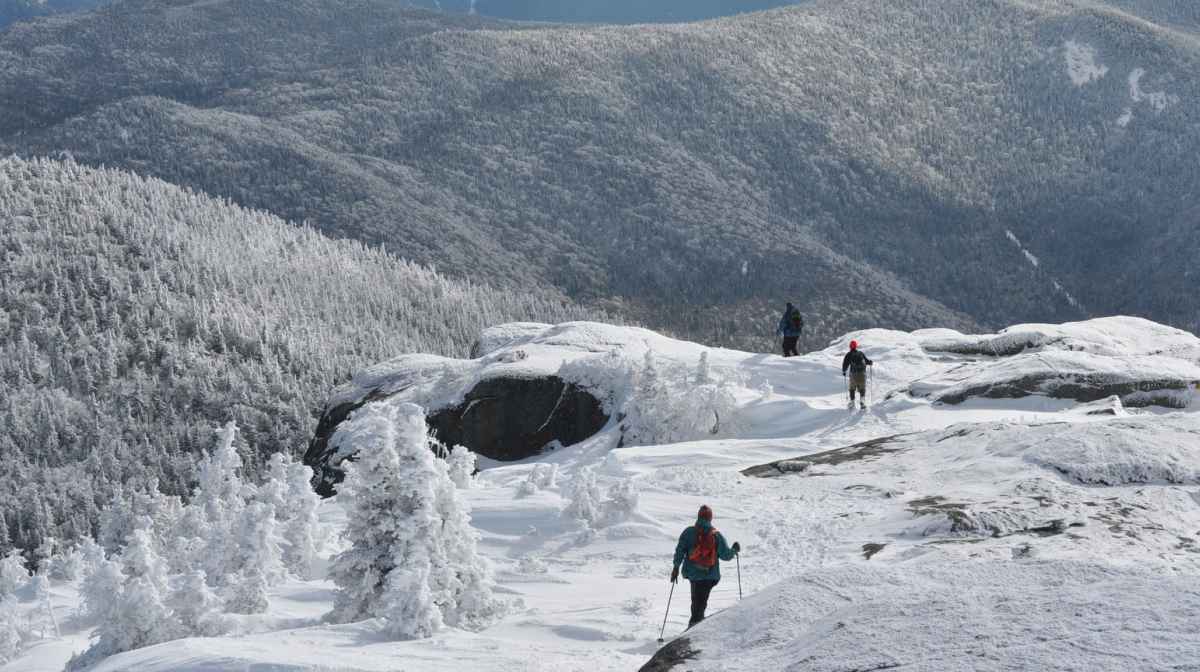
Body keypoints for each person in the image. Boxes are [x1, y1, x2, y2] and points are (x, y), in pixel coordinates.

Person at [670, 505, 740, 628]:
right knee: (699, 604)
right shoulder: (716, 535)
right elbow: (725, 555)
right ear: (710, 518)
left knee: (697, 604)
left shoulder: (688, 532)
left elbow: (680, 550)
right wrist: (734, 550)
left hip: (693, 575)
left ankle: (693, 630)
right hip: (710, 576)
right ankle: (695, 630)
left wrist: (676, 567)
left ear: (698, 516)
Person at [841, 340, 874, 410]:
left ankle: (852, 403)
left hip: (853, 374)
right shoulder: (860, 353)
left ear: (850, 346)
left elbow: (845, 364)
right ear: (856, 346)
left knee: (852, 388)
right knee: (862, 388)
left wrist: (844, 371)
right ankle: (862, 402)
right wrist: (870, 362)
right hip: (862, 374)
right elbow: (867, 361)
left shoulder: (848, 354)